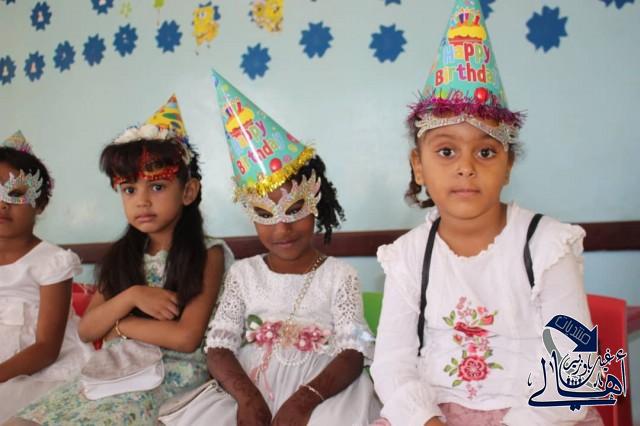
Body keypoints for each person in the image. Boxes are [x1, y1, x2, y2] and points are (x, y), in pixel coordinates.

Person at [370, 1, 603, 425]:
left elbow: (574, 366)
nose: (466, 167)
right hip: (434, 415)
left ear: (508, 165)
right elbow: (392, 363)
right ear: (418, 166)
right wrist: (426, 419)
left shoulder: (547, 245)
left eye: (486, 151)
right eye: (446, 151)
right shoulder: (407, 256)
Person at [158, 72, 380, 426]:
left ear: (317, 205)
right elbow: (219, 346)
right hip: (248, 385)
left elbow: (354, 350)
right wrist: (247, 398)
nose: (282, 228)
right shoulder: (243, 273)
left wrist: (304, 402)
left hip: (322, 393)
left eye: (295, 209)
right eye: (265, 214)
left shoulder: (341, 275)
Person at [15, 96, 233, 425]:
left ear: (188, 191)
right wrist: (132, 296)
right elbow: (88, 329)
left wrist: (119, 326)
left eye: (157, 187)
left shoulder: (207, 253)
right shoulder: (122, 255)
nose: (141, 201)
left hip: (171, 375)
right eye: (129, 190)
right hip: (115, 368)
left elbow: (186, 338)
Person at [0, 131, 92, 422]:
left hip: (33, 367)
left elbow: (46, 348)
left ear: (39, 205)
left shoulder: (52, 262)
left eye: (16, 194)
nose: (3, 204)